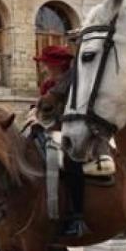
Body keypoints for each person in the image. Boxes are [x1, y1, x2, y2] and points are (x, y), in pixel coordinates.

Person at [33, 45, 90, 237]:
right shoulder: (48, 86)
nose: (44, 67)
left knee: (71, 163)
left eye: (46, 63)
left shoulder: (75, 82)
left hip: (72, 130)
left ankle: (78, 217)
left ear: (57, 65)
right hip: (48, 130)